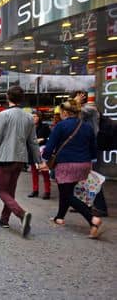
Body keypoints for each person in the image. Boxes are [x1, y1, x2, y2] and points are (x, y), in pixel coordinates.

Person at [0, 86, 43, 238]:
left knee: (1, 190)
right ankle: (4, 219)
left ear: (7, 97)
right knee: (10, 191)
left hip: (5, 157)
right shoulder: (29, 117)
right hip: (20, 158)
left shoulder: (3, 115)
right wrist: (39, 160)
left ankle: (21, 214)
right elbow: (33, 142)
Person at [42, 99, 102, 238]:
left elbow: (50, 146)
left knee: (67, 195)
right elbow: (93, 146)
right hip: (84, 164)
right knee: (66, 191)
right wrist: (91, 160)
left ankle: (92, 219)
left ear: (65, 112)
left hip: (66, 164)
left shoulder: (61, 126)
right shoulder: (86, 126)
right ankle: (60, 217)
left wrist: (45, 159)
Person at [72, 90, 108, 217]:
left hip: (91, 147)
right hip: (84, 147)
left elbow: (75, 114)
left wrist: (75, 103)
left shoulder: (89, 109)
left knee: (93, 177)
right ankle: (83, 204)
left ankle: (102, 208)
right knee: (82, 177)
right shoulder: (83, 109)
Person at [27, 111, 52, 199]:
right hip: (32, 152)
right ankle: (35, 190)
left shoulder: (45, 127)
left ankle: (47, 191)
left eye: (35, 116)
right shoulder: (29, 127)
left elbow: (50, 138)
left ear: (39, 117)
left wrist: (42, 139)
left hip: (41, 152)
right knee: (34, 172)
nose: (33, 118)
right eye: (32, 116)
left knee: (45, 172)